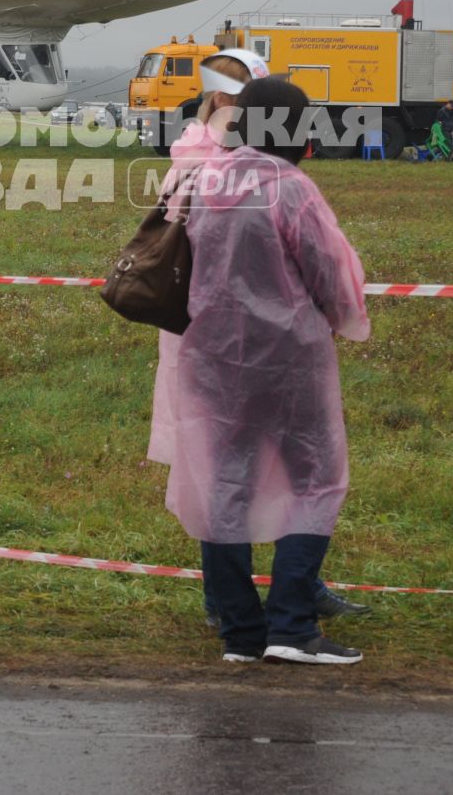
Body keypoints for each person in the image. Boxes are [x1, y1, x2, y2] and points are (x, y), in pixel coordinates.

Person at [147, 49, 371, 635]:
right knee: (316, 479)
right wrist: (344, 317)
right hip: (288, 361)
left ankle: (238, 627)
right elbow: (334, 280)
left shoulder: (196, 179)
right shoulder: (291, 190)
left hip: (208, 359)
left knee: (223, 482)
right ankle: (293, 623)